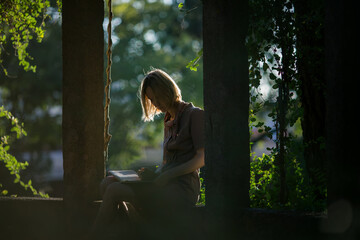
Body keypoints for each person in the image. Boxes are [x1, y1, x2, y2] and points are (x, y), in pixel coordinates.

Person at [91, 68, 205, 239]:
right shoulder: (168, 121)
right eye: (152, 99)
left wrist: (168, 175)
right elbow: (167, 165)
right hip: (163, 182)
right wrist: (150, 175)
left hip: (182, 190)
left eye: (158, 97)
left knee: (114, 190)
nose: (156, 103)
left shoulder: (195, 115)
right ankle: (133, 230)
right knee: (107, 182)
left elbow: (202, 158)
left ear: (168, 90)